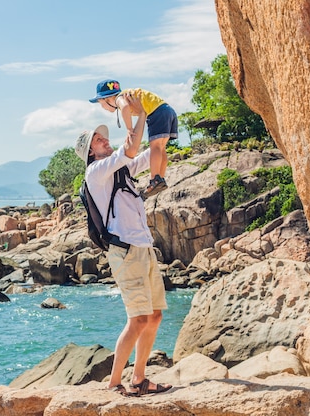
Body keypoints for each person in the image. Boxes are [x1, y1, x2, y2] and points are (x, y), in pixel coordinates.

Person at [74, 95, 172, 397]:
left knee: (154, 315)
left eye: (105, 137)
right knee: (138, 318)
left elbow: (148, 155)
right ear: (90, 150)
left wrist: (161, 131)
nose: (105, 141)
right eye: (100, 140)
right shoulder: (96, 172)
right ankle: (115, 382)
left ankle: (140, 378)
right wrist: (139, 114)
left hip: (143, 246)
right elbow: (129, 148)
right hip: (124, 250)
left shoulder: (120, 170)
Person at [89, 79, 178, 198]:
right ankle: (160, 178)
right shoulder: (126, 95)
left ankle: (155, 179)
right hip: (168, 111)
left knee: (155, 147)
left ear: (107, 99)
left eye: (101, 103)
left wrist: (129, 129)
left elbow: (125, 107)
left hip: (157, 112)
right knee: (161, 148)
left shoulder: (119, 98)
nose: (103, 107)